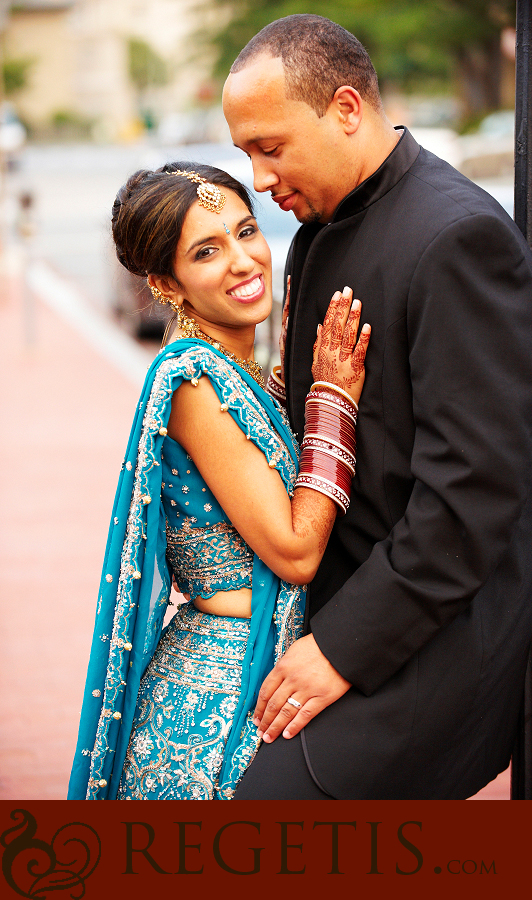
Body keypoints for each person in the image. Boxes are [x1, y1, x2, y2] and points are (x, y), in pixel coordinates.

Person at [221, 14, 532, 799]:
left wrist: (340, 650)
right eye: (246, 154)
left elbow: (472, 499)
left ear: (348, 109)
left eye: (271, 147)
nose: (259, 179)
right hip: (331, 607)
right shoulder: (316, 230)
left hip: (432, 639)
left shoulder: (457, 237)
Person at [67, 161, 370, 800]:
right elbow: (293, 551)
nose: (243, 260)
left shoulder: (237, 371)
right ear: (165, 283)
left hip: (254, 673)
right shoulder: (195, 382)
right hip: (217, 700)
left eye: (245, 231)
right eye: (207, 251)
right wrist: (332, 406)